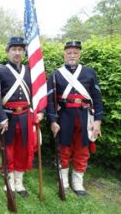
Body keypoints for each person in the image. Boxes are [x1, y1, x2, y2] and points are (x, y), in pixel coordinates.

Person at [47, 41, 103, 197]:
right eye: (69, 52)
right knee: (63, 149)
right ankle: (63, 181)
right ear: (64, 54)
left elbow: (97, 99)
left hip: (85, 116)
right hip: (64, 115)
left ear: (80, 54)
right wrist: (52, 120)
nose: (72, 55)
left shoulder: (90, 73)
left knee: (82, 150)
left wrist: (97, 121)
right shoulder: (55, 74)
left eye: (75, 53)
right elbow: (50, 101)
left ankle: (78, 183)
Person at [0, 37, 44, 197]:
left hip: (26, 116)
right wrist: (1, 118)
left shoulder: (30, 71)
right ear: (8, 51)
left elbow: (38, 95)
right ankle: (9, 180)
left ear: (24, 52)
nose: (17, 52)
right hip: (8, 117)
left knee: (23, 149)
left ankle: (19, 182)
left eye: (20, 49)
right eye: (14, 49)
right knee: (8, 149)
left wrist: (40, 111)